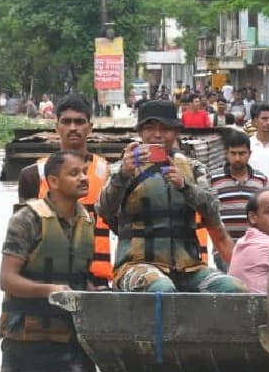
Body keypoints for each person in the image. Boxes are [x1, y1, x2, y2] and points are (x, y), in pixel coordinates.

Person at [96, 100, 247, 293]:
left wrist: (185, 187)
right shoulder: (119, 169)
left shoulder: (194, 168)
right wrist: (123, 176)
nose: (157, 135)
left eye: (165, 129)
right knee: (162, 288)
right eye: (150, 128)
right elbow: (104, 209)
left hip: (189, 268)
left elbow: (212, 210)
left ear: (176, 132)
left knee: (234, 289)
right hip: (135, 266)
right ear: (140, 132)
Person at [0, 150, 97, 372]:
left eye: (84, 172)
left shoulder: (88, 219)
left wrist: (95, 292)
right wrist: (49, 291)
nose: (83, 178)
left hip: (73, 339)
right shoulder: (26, 219)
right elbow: (7, 279)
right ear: (53, 181)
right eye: (74, 173)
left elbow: (79, 275)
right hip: (26, 340)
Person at [17, 95, 114, 286]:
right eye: (66, 122)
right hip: (45, 280)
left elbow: (123, 228)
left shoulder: (110, 175)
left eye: (79, 122)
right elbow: (20, 238)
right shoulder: (32, 175)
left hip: (95, 279)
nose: (73, 128)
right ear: (57, 127)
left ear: (90, 128)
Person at [210, 130, 269, 242]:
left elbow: (268, 212)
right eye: (233, 153)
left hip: (254, 246)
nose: (237, 158)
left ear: (249, 154)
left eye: (242, 153)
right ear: (226, 154)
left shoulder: (261, 180)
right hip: (224, 246)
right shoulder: (213, 179)